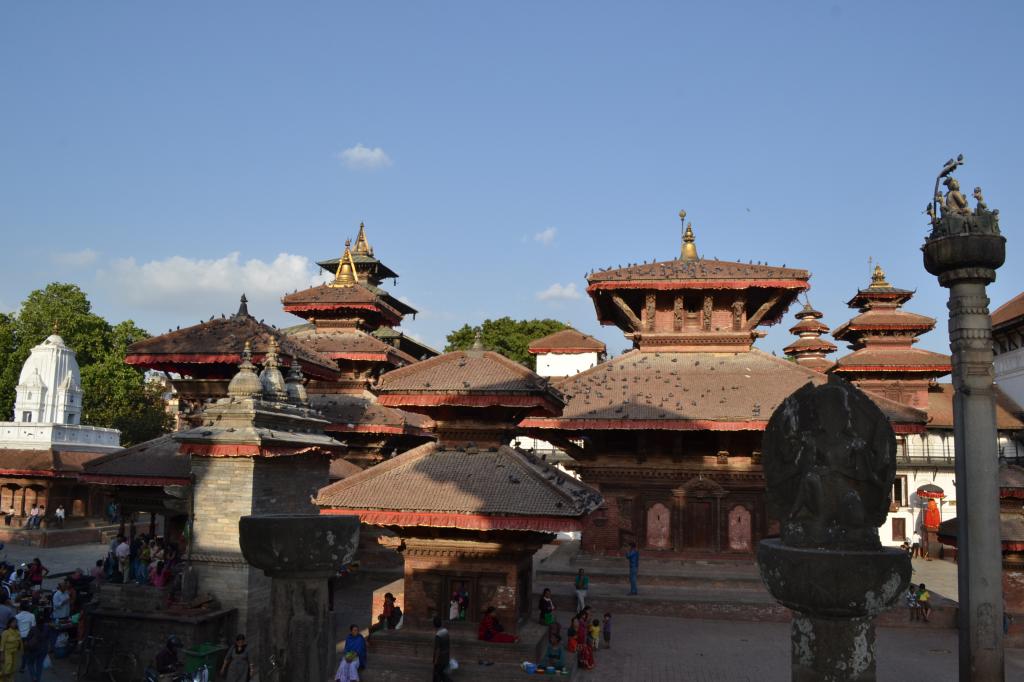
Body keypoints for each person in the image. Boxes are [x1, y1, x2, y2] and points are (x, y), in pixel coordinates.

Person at [23, 608, 49, 682]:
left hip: (33, 650)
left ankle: (34, 677)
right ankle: (37, 679)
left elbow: (28, 639)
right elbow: (48, 639)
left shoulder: (33, 629)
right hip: (43, 649)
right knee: (39, 665)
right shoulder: (47, 628)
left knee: (30, 663)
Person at [432, 615, 452, 682]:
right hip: (446, 657)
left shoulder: (438, 635)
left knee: (438, 674)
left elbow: (438, 650)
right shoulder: (446, 631)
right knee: (442, 674)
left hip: (440, 660)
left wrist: (435, 661)